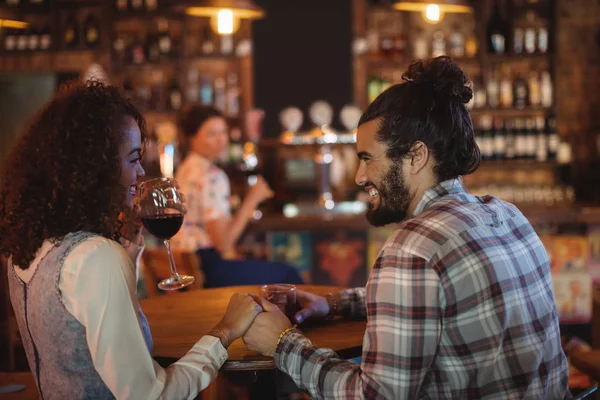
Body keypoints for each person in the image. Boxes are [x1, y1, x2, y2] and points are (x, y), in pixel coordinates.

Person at [242, 57, 571, 399]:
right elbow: (437, 299)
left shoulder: (413, 250)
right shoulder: (507, 216)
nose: (359, 177)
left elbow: (375, 396)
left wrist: (283, 344)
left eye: (368, 158)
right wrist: (336, 304)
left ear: (416, 156)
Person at [0, 81, 263, 399]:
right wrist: (225, 331)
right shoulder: (95, 256)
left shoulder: (27, 250)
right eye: (133, 158)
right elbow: (152, 395)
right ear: (95, 168)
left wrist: (129, 239)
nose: (140, 172)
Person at [171, 104, 303, 288]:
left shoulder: (185, 169)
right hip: (207, 268)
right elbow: (223, 243)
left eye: (223, 132)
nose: (221, 140)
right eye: (211, 134)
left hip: (186, 266)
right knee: (289, 274)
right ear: (192, 137)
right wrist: (253, 199)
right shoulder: (211, 175)